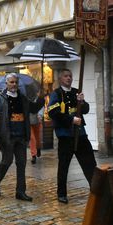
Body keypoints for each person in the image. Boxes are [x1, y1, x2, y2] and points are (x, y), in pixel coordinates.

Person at [0, 73, 44, 201]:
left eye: (15, 82)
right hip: (7, 136)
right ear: (6, 84)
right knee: (7, 161)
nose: (14, 85)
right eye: (11, 82)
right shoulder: (0, 99)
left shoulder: (23, 98)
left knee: (21, 163)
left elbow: (33, 108)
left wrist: (41, 97)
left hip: (21, 136)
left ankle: (20, 191)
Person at [47, 68, 97, 204]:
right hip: (65, 135)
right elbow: (53, 112)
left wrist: (82, 101)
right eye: (65, 76)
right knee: (63, 166)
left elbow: (85, 110)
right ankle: (61, 193)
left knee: (90, 164)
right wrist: (71, 120)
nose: (68, 78)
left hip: (80, 134)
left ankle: (96, 190)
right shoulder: (56, 94)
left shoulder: (76, 92)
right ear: (60, 79)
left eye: (70, 76)